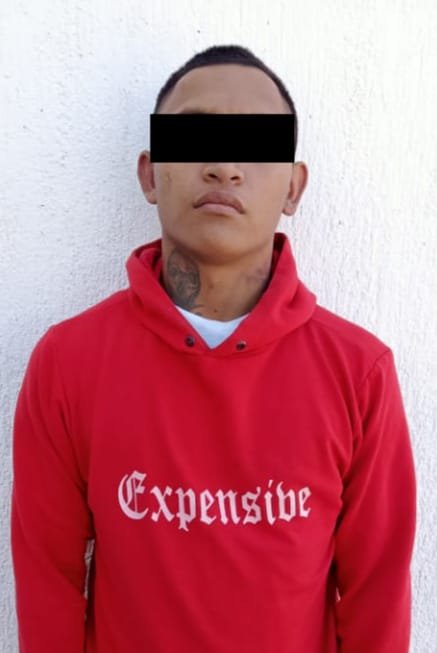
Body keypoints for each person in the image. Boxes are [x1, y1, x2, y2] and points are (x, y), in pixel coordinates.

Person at [11, 44, 416, 653]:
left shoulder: (359, 372)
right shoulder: (68, 363)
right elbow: (49, 583)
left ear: (293, 188)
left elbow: (376, 594)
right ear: (150, 174)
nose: (225, 166)